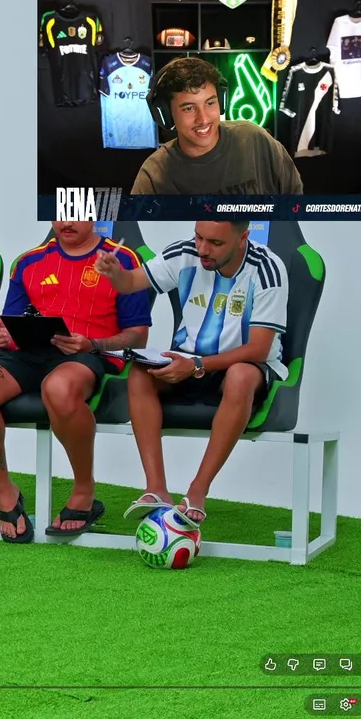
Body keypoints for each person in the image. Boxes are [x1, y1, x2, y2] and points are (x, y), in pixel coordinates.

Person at [0, 222, 151, 542]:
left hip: (89, 352)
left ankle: (84, 490)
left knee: (59, 388)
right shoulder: (29, 262)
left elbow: (138, 336)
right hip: (28, 353)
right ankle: (6, 493)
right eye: (60, 212)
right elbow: (11, 324)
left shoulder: (123, 260)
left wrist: (92, 343)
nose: (66, 222)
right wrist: (3, 336)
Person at [93, 220, 288, 529]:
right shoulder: (184, 253)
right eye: (199, 237)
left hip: (244, 364)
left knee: (240, 376)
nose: (203, 249)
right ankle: (156, 489)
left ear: (243, 238)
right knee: (141, 372)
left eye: (215, 243)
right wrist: (115, 272)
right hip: (189, 360)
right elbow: (130, 283)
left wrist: (198, 364)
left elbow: (259, 349)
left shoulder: (267, 268)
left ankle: (198, 490)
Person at [132, 57, 303, 195]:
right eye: (189, 108)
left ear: (221, 101)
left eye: (210, 103)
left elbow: (295, 200)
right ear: (166, 114)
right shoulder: (154, 175)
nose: (203, 119)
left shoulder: (256, 139)